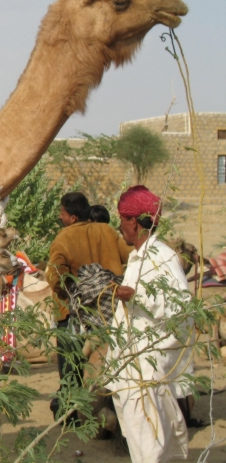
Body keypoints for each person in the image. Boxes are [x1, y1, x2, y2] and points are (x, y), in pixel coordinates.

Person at [109, 185, 194, 462]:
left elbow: (180, 310)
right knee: (144, 442)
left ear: (133, 221)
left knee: (150, 445)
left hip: (147, 371)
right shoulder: (139, 258)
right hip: (132, 367)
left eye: (122, 220)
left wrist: (136, 296)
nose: (120, 227)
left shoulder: (161, 257)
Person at [46, 192, 127, 399]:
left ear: (73, 217)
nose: (60, 217)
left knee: (70, 367)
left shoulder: (63, 238)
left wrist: (74, 292)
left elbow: (55, 278)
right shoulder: (107, 231)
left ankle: (70, 408)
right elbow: (130, 255)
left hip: (73, 314)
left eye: (62, 213)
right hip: (109, 311)